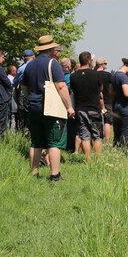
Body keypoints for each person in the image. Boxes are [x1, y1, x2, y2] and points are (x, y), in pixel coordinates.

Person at [17, 35, 75, 181]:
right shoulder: (53, 64)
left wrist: (32, 97)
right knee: (54, 141)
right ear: (50, 49)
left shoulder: (30, 65)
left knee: (36, 142)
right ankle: (55, 174)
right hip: (50, 108)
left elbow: (23, 87)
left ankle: (34, 172)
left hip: (34, 107)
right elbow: (61, 86)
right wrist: (69, 107)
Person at [69, 51, 105, 161]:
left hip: (80, 108)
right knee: (97, 135)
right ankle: (98, 160)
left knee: (85, 135)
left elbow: (73, 91)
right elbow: (101, 90)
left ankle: (88, 160)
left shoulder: (73, 76)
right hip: (94, 107)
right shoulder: (96, 74)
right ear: (89, 60)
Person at [13, 49, 35, 132]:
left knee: (23, 116)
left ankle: (24, 131)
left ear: (23, 58)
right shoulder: (37, 65)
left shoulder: (22, 68)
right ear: (33, 56)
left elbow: (15, 82)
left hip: (24, 95)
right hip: (37, 94)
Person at [94, 57, 113, 143]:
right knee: (107, 121)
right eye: (105, 64)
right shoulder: (108, 75)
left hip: (95, 100)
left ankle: (97, 138)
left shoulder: (93, 74)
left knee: (96, 120)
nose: (106, 65)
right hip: (107, 100)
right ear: (102, 64)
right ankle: (107, 140)